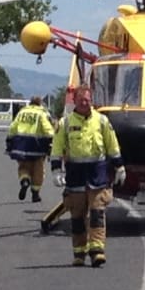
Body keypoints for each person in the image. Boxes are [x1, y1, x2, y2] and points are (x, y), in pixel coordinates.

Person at [50, 86, 125, 267]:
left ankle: (97, 251)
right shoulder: (65, 123)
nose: (85, 102)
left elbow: (112, 146)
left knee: (97, 212)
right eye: (81, 99)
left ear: (92, 101)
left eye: (88, 99)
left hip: (97, 174)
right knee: (77, 216)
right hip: (75, 174)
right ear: (74, 101)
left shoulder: (102, 121)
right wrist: (55, 170)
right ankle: (79, 253)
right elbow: (57, 147)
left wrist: (119, 167)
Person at [5, 96, 55, 203]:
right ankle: (35, 194)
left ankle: (25, 180)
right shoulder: (42, 113)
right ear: (40, 104)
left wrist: (9, 140)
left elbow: (13, 127)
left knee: (23, 167)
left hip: (21, 145)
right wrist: (52, 141)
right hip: (37, 147)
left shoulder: (22, 112)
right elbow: (47, 129)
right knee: (38, 171)